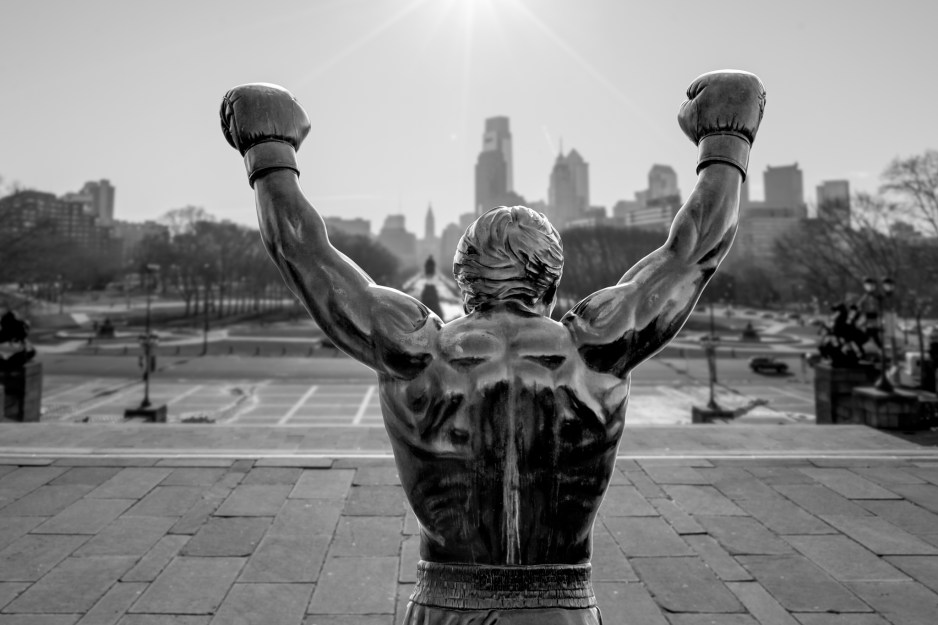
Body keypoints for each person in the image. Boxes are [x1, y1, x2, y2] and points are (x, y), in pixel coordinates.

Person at [220, 70, 765, 625]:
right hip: (561, 608)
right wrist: (726, 141)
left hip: (446, 604)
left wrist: (270, 150)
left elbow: (304, 252)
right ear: (551, 285)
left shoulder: (419, 349)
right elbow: (693, 251)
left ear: (464, 284)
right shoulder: (595, 346)